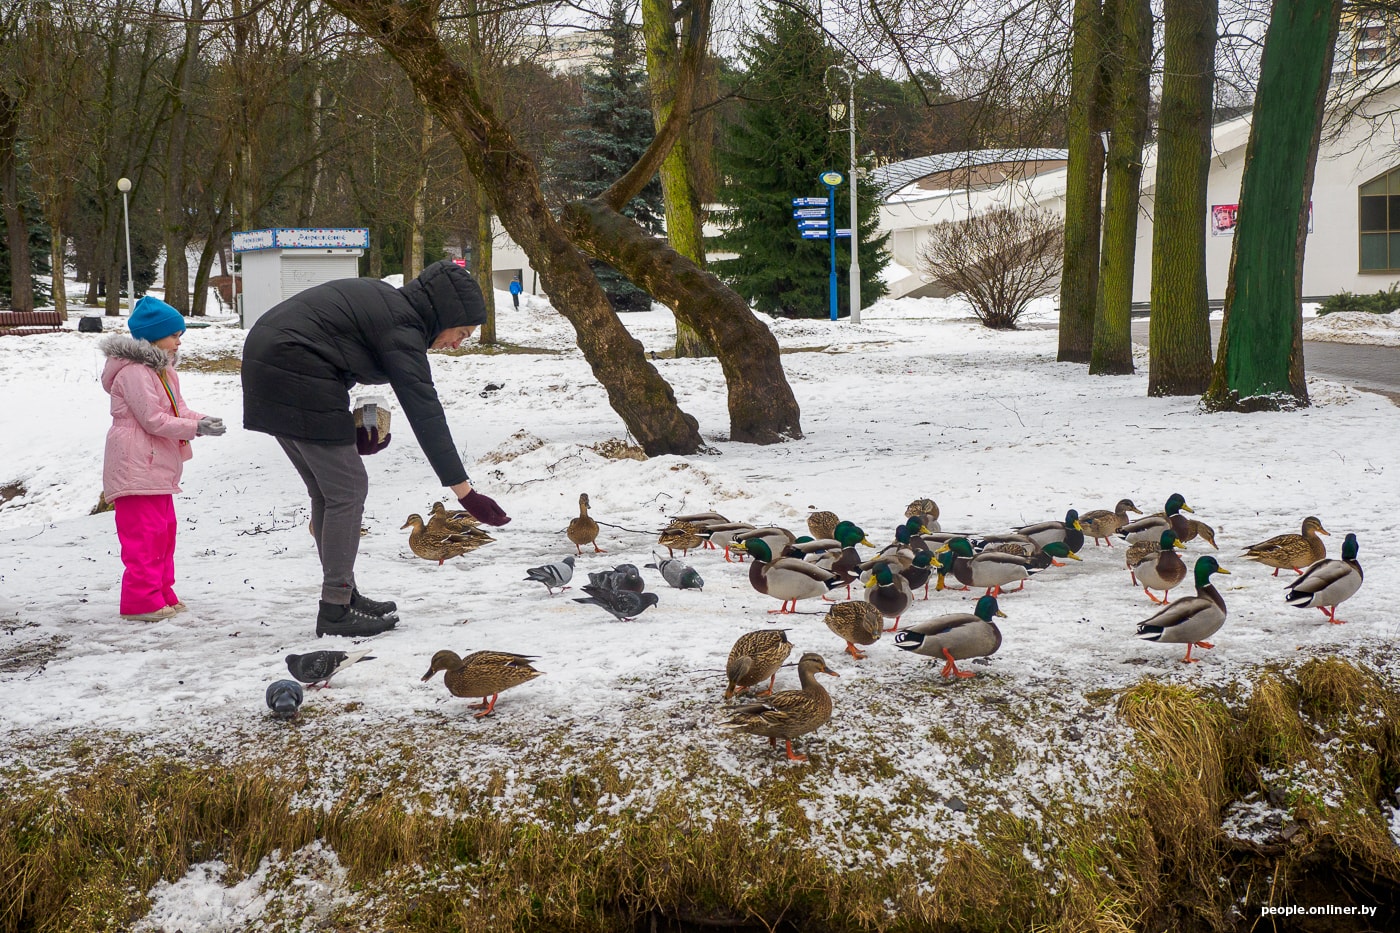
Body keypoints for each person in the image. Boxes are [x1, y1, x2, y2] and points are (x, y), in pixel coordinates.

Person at [242, 260, 511, 638]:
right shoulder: (403, 326)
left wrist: (349, 432)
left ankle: (342, 594)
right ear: (446, 314)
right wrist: (465, 493)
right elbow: (425, 410)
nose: (457, 343)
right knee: (348, 490)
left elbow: (339, 354)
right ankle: (335, 609)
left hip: (271, 365)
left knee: (330, 491)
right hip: (292, 368)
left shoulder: (389, 306)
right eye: (462, 332)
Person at [101, 296, 226, 622]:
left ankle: (161, 591)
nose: (179, 340)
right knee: (143, 535)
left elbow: (177, 410)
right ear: (153, 336)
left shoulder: (163, 371)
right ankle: (140, 600)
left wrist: (201, 421)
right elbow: (153, 419)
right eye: (174, 334)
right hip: (135, 462)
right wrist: (192, 427)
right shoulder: (135, 373)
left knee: (164, 530)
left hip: (156, 463)